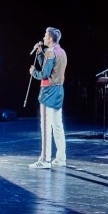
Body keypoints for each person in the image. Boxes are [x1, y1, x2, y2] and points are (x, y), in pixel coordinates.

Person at [28, 27, 68, 169]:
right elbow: (49, 69)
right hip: (59, 91)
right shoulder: (61, 51)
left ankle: (45, 160)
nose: (43, 37)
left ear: (50, 38)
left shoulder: (50, 52)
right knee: (58, 126)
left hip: (49, 92)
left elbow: (44, 74)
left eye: (45, 35)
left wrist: (33, 72)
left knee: (46, 127)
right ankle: (61, 158)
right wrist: (40, 54)